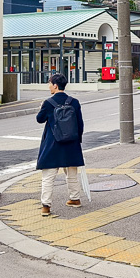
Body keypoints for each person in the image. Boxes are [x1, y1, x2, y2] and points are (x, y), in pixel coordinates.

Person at [36, 73, 85, 216]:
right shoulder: (74, 102)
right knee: (71, 173)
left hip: (53, 144)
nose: (49, 86)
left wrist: (42, 108)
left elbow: (39, 119)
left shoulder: (48, 103)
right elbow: (80, 124)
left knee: (48, 176)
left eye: (50, 83)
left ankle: (46, 206)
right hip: (71, 143)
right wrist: (77, 141)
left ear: (55, 85)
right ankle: (75, 199)